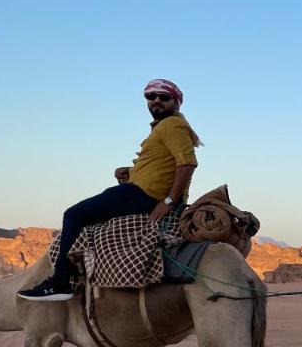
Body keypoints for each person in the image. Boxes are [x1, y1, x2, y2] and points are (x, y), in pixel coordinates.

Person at [19, 79, 201, 302]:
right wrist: (130, 172)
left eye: (164, 97)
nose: (156, 101)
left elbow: (187, 163)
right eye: (150, 96)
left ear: (176, 103)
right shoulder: (164, 127)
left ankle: (60, 282)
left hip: (145, 194)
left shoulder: (172, 125)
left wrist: (169, 201)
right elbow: (163, 165)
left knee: (74, 215)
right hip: (140, 189)